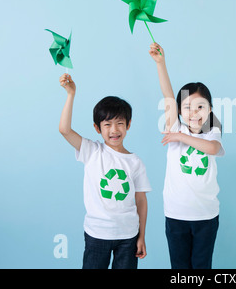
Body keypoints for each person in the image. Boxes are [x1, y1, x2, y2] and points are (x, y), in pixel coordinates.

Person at [58, 74, 151, 269]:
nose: (114, 130)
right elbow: (64, 130)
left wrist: (141, 236)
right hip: (97, 233)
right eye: (107, 124)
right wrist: (71, 94)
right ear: (97, 128)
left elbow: (141, 201)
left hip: (128, 236)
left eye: (119, 123)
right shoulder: (92, 151)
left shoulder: (135, 162)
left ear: (128, 124)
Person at [149, 43, 225, 269]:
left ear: (209, 109)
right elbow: (167, 95)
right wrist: (161, 63)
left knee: (201, 267)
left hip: (206, 216)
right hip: (176, 214)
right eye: (187, 107)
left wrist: (182, 138)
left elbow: (211, 149)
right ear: (180, 111)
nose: (194, 113)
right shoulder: (175, 127)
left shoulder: (213, 130)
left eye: (200, 107)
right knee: (180, 269)